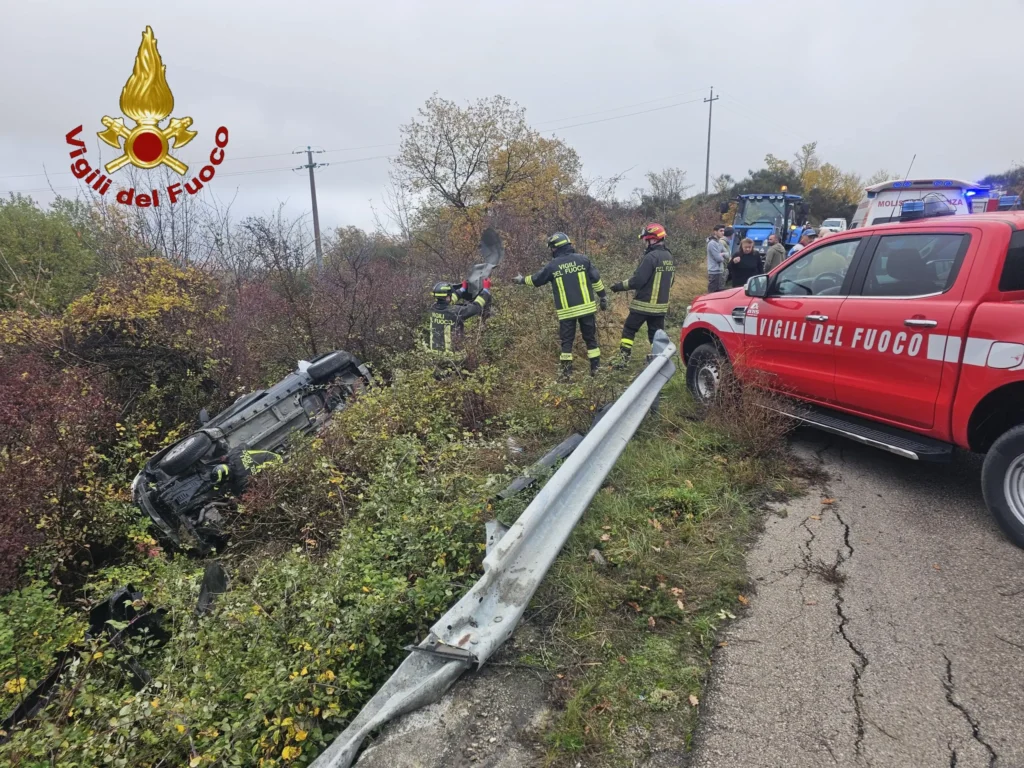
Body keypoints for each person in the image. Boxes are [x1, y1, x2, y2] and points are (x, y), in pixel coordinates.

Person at [513, 232, 608, 377]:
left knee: (566, 343)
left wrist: (521, 280)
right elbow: (596, 279)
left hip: (567, 312)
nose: (551, 251)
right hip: (587, 309)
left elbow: (537, 280)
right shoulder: (583, 260)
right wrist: (603, 297)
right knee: (590, 340)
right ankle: (596, 369)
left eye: (552, 248)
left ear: (555, 248)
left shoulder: (553, 265)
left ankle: (566, 374)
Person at [609, 222, 675, 365]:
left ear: (653, 239)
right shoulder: (669, 256)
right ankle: (658, 363)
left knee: (629, 330)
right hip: (660, 307)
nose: (646, 243)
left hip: (643, 305)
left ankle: (623, 360)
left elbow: (638, 281)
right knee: (655, 335)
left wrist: (618, 286)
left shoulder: (650, 257)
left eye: (646, 240)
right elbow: (671, 281)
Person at [428, 278, 492, 353]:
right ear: (447, 297)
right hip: (451, 354)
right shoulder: (455, 311)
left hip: (434, 353)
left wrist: (462, 289)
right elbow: (476, 307)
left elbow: (448, 302)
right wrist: (485, 291)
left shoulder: (432, 308)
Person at [706, 224, 727, 293]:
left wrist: (722, 254)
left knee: (720, 293)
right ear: (715, 232)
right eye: (721, 231)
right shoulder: (712, 243)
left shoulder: (720, 242)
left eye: (723, 231)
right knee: (712, 293)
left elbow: (728, 254)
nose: (723, 233)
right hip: (714, 272)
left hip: (720, 271)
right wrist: (722, 256)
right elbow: (719, 259)